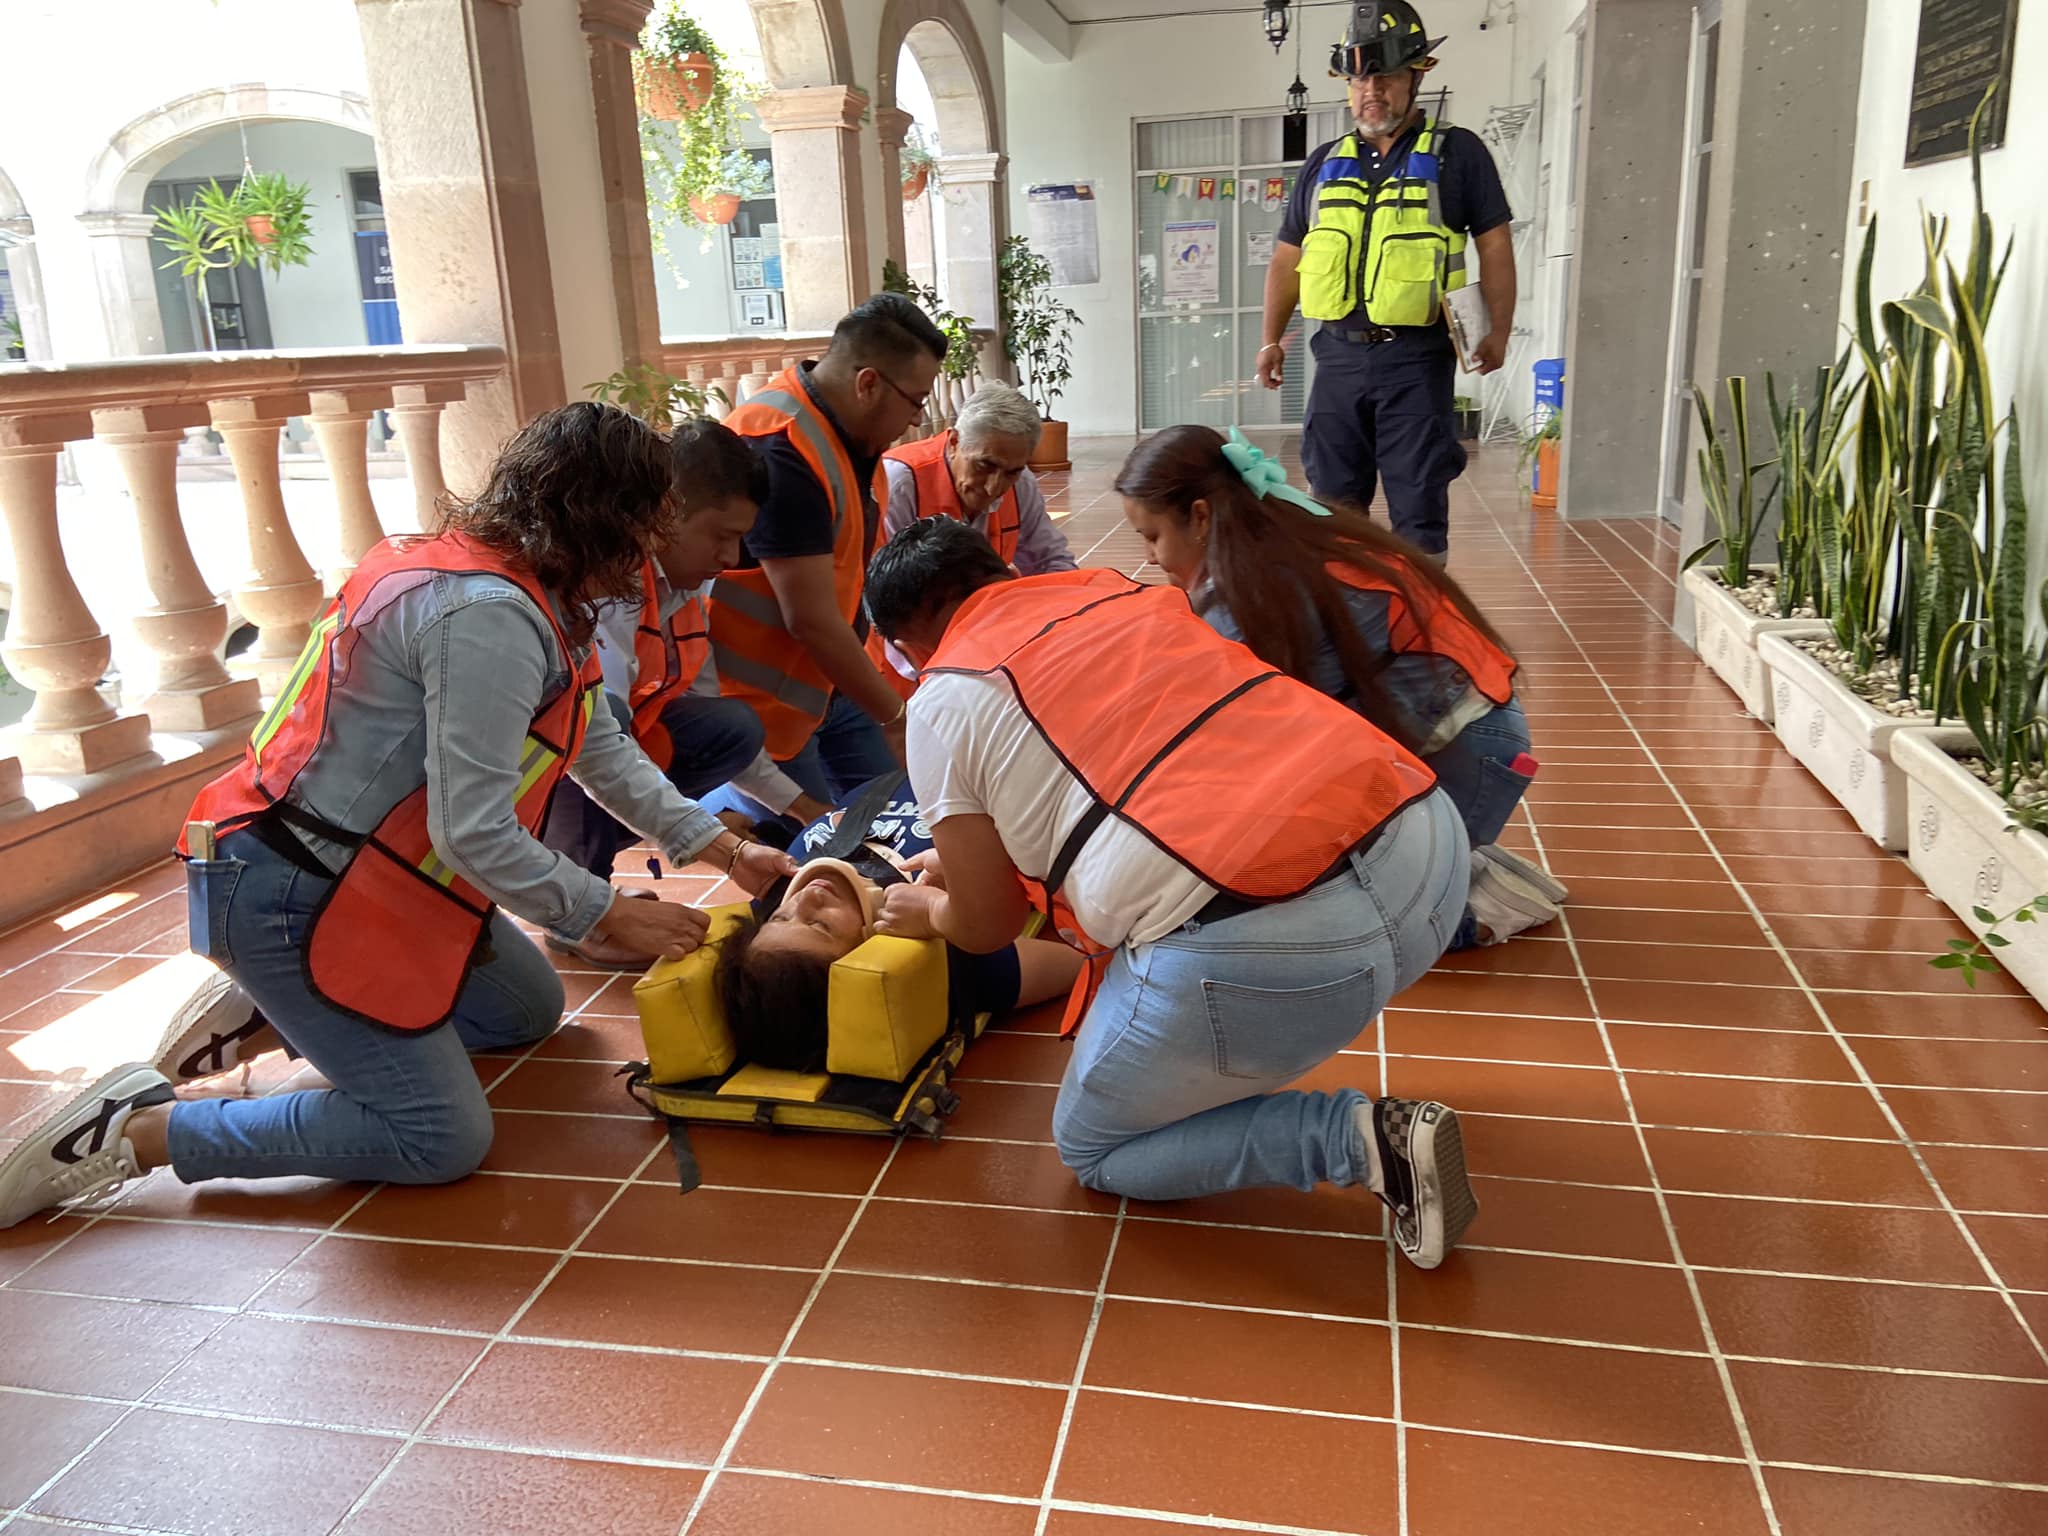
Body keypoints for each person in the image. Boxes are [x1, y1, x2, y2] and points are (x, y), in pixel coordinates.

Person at [0, 403, 798, 1230]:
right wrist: (608, 914)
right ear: (599, 520)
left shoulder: (540, 591)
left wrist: (723, 849)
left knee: (525, 1011)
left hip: (376, 879)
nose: (653, 556)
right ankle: (139, 1131)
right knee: (437, 1136)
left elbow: (602, 748)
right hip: (290, 892)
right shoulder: (486, 616)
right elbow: (475, 832)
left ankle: (270, 1008)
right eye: (645, 530)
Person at [863, 514, 1482, 1271]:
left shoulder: (942, 696)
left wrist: (932, 909)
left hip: (1279, 954)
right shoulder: (1126, 595)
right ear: (996, 573)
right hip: (1431, 857)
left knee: (1096, 1145)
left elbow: (987, 923)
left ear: (912, 641)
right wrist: (968, 863)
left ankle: (1355, 1142)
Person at [1119, 424, 1566, 946]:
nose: (1151, 558)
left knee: (1355, 928)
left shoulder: (1248, 593)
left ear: (1199, 516)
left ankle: (1473, 906)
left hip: (1473, 748)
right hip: (1471, 733)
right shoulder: (1280, 536)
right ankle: (1447, 858)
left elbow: (1245, 743)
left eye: (1152, 537)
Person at [543, 417, 832, 965]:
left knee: (729, 728)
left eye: (741, 538)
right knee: (586, 740)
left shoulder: (685, 587)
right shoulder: (605, 587)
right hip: (545, 767)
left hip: (604, 745)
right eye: (722, 535)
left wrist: (803, 808)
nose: (732, 557)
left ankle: (585, 884)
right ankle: (576, 906)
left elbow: (707, 720)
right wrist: (714, 841)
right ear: (663, 515)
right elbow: (594, 750)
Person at [1255, 1, 1514, 559]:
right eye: (1358, 78)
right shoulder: (1323, 164)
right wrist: (1270, 338)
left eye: (1386, 75)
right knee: (1331, 505)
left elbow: (1494, 244)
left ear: (1416, 75)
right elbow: (1287, 257)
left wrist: (1498, 330)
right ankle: (1350, 621)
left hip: (1416, 361)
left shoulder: (1458, 153)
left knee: (1417, 506)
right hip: (1336, 360)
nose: (1371, 89)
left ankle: (1422, 628)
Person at [709, 294, 947, 813]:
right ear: (868, 384)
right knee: (803, 855)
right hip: (763, 709)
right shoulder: (781, 448)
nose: (915, 421)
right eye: (914, 400)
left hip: (831, 684)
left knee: (896, 813)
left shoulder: (850, 438)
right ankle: (719, 807)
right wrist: (896, 717)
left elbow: (848, 574)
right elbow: (811, 620)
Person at [714, 774, 1084, 1073]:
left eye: (780, 916)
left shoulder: (780, 881)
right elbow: (1082, 963)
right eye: (822, 926)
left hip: (911, 768)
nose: (807, 896)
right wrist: (944, 915)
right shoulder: (953, 955)